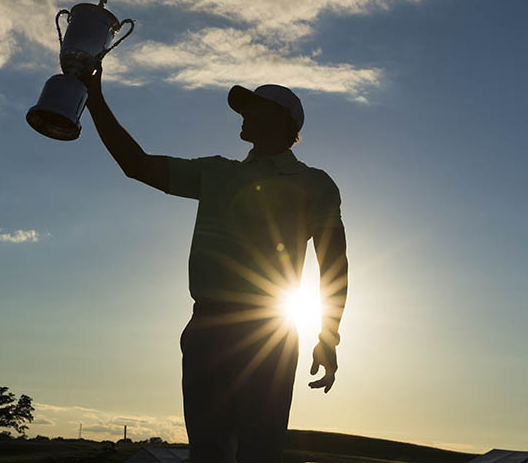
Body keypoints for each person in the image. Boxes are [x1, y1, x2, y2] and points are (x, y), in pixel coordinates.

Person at [80, 63, 348, 463]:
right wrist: (93, 96)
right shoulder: (216, 172)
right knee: (208, 455)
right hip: (206, 329)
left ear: (281, 119)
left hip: (269, 333)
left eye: (253, 107)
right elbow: (136, 164)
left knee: (261, 453)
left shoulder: (314, 184)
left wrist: (329, 336)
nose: (243, 114)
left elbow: (334, 266)